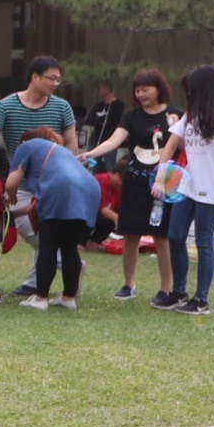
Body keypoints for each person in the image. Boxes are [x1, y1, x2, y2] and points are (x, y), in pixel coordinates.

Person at [0, 56, 78, 293]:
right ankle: (67, 261)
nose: (55, 84)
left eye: (58, 80)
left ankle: (35, 282)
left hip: (55, 183)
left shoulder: (62, 107)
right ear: (34, 77)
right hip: (21, 182)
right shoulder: (6, 105)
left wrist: (73, 173)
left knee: (47, 230)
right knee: (22, 224)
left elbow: (71, 144)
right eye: (51, 78)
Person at [79, 68, 178, 302]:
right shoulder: (131, 116)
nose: (141, 94)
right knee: (130, 235)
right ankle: (128, 284)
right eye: (138, 90)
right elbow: (114, 140)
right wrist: (90, 152)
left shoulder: (175, 115)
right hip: (134, 182)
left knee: (161, 237)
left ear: (159, 89)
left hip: (163, 184)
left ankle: (166, 288)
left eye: (146, 89)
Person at [152, 65, 214, 317]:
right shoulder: (189, 116)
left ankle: (201, 299)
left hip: (211, 188)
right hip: (187, 186)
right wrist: (161, 180)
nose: (189, 94)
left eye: (192, 89)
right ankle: (179, 291)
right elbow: (169, 147)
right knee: (174, 236)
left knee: (204, 243)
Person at [5, 127, 100, 311]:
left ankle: (40, 298)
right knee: (69, 246)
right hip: (90, 189)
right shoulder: (63, 151)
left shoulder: (26, 145)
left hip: (60, 187)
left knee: (48, 245)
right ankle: (68, 297)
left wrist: (13, 196)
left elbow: (11, 183)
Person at [82, 81, 126, 164]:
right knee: (92, 164)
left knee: (110, 164)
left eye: (100, 88)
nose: (97, 91)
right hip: (95, 139)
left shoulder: (118, 105)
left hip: (109, 139)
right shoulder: (97, 106)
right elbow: (90, 120)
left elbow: (115, 120)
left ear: (107, 89)